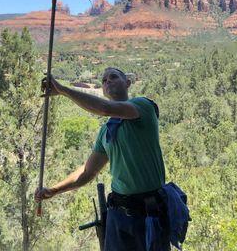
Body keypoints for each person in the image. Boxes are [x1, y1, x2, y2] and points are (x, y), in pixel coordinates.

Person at [35, 67, 169, 251]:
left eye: (113, 76)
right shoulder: (106, 132)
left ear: (128, 83)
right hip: (119, 214)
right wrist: (54, 190)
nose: (108, 81)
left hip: (149, 213)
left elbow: (105, 108)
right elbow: (88, 171)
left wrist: (63, 89)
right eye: (104, 80)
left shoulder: (143, 106)